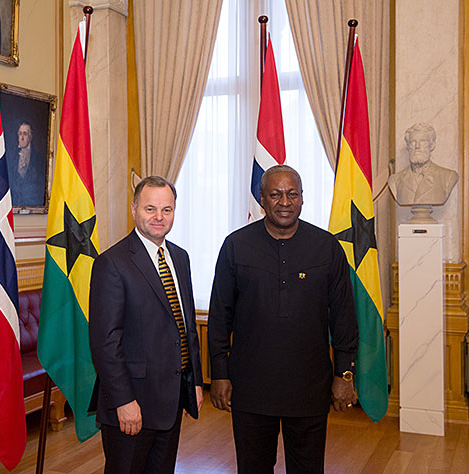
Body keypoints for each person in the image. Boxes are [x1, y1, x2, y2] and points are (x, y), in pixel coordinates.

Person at [208, 165, 359, 473]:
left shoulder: (326, 247)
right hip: (251, 389)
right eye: (275, 194)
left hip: (309, 387)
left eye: (292, 194)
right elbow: (220, 315)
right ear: (262, 199)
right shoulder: (235, 246)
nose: (285, 202)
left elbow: (344, 317)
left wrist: (344, 375)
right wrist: (220, 374)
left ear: (303, 199)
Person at [89, 176, 203, 474]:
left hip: (172, 398)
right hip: (132, 403)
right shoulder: (112, 263)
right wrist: (123, 400)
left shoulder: (180, 258)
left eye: (167, 210)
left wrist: (196, 382)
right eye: (150, 208)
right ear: (133, 209)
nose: (158, 217)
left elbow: (187, 327)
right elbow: (105, 342)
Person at [388, 123, 458, 206]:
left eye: (423, 142)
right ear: (408, 146)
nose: (417, 146)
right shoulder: (395, 180)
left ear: (432, 145)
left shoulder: (448, 176)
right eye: (413, 142)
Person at [8, 122, 45, 206]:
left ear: (30, 137)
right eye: (20, 134)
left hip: (32, 202)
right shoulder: (11, 156)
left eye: (25, 134)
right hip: (14, 201)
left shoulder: (38, 158)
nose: (22, 138)